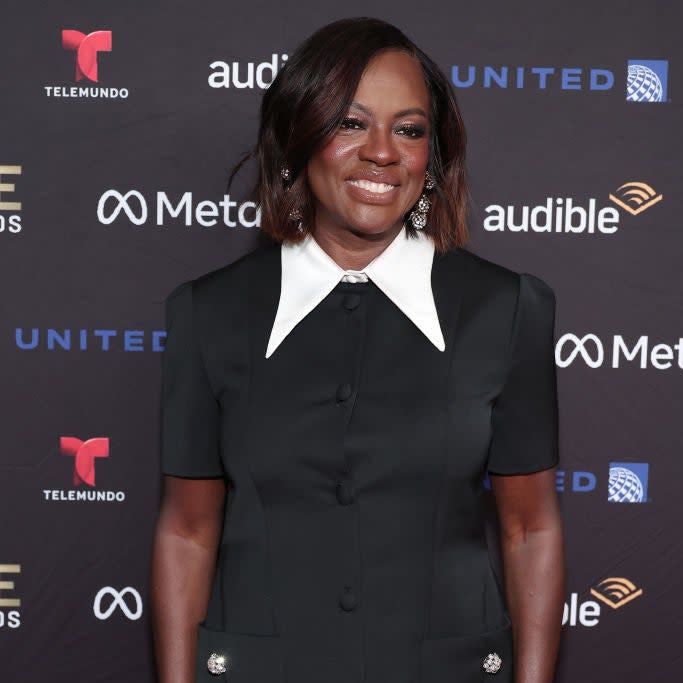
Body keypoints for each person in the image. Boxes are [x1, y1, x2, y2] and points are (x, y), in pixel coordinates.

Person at [151, 16, 565, 683]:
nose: (382, 152)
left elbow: (529, 528)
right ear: (296, 136)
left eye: (408, 129)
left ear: (431, 154)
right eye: (349, 123)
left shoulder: (505, 307)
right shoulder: (208, 313)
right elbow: (187, 531)